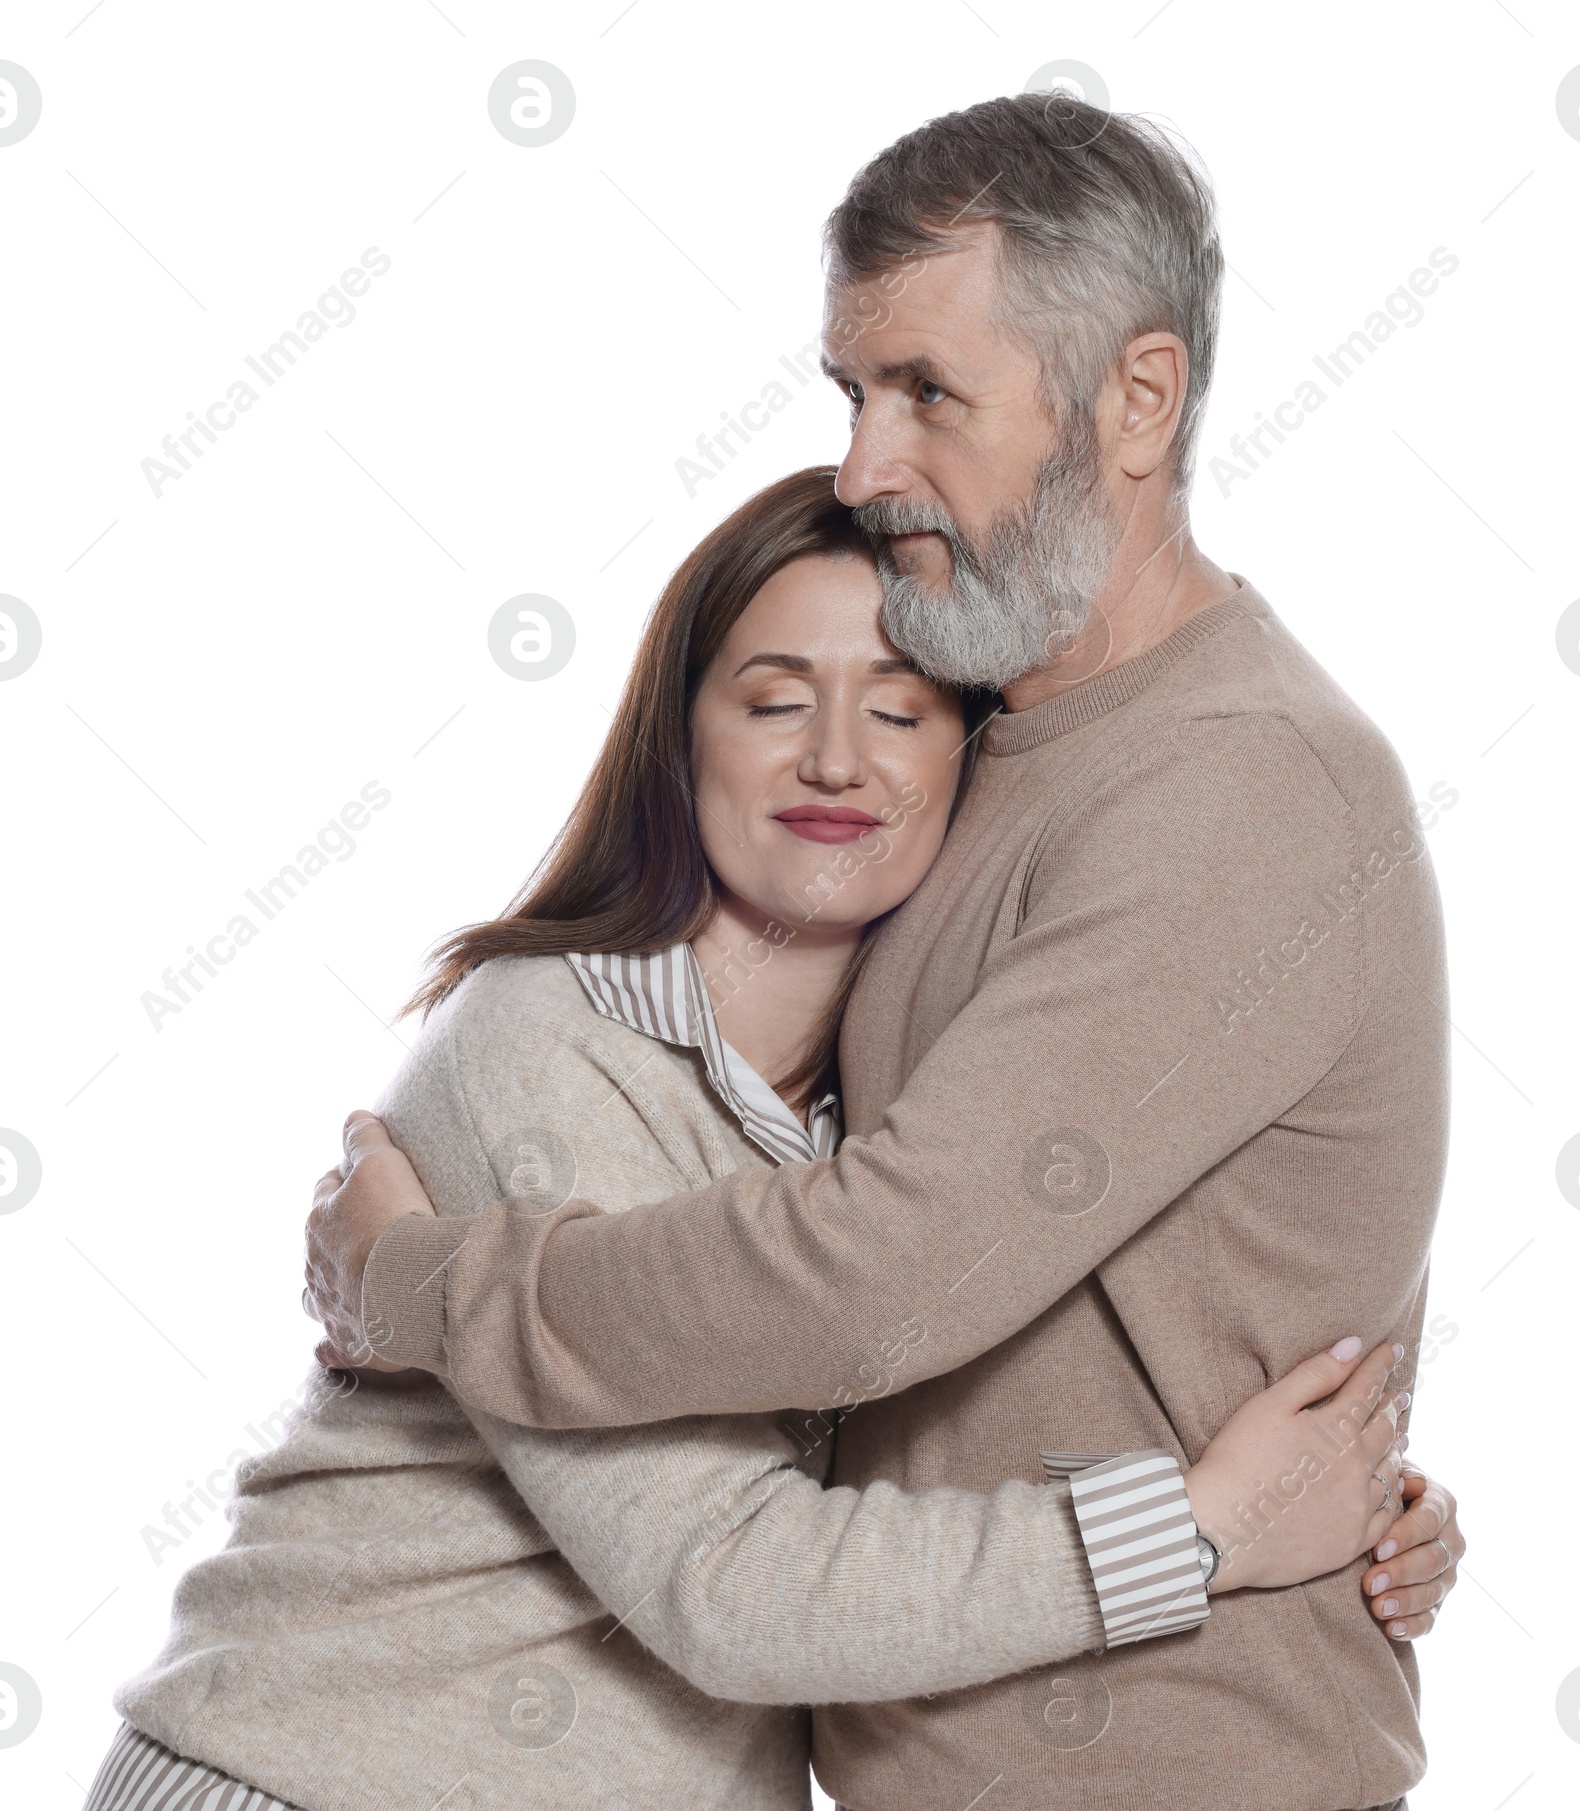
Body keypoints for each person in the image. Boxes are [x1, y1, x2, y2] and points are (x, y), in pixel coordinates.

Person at [308, 96, 1463, 1811]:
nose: (863, 469)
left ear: (1138, 401)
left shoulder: (1242, 781)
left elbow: (874, 1276)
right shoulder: (979, 740)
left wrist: (427, 1290)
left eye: (930, 393)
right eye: (854, 395)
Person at [84, 472, 1449, 1811]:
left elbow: (988, 1407)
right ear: (680, 740)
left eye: (900, 710)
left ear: (971, 775)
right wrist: (1205, 1531)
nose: (837, 759)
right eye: (776, 699)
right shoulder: (551, 1044)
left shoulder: (894, 1132)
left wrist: (1362, 1516)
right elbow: (731, 1585)